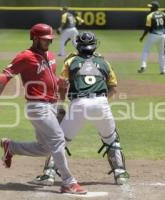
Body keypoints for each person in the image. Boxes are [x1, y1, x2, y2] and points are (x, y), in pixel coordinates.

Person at [0, 23, 87, 195]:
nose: (49, 43)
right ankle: (68, 182)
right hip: (37, 106)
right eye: (45, 40)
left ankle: (10, 147)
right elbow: (6, 75)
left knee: (46, 148)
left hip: (52, 105)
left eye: (50, 40)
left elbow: (49, 78)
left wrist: (60, 88)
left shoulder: (49, 55)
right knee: (57, 139)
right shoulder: (25, 56)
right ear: (35, 38)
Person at [31, 31, 130, 186]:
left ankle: (49, 174)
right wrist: (100, 101)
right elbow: (113, 88)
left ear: (78, 45)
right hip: (101, 103)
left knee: (60, 141)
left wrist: (60, 104)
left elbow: (62, 84)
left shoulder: (71, 61)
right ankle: (120, 174)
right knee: (111, 139)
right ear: (94, 45)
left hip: (78, 104)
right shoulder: (104, 62)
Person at [138, 1, 165, 75]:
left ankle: (143, 65)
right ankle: (163, 70)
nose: (149, 8)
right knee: (161, 53)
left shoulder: (150, 16)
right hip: (162, 36)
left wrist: (143, 36)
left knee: (145, 51)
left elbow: (147, 28)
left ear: (154, 7)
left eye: (151, 7)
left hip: (153, 35)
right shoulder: (164, 15)